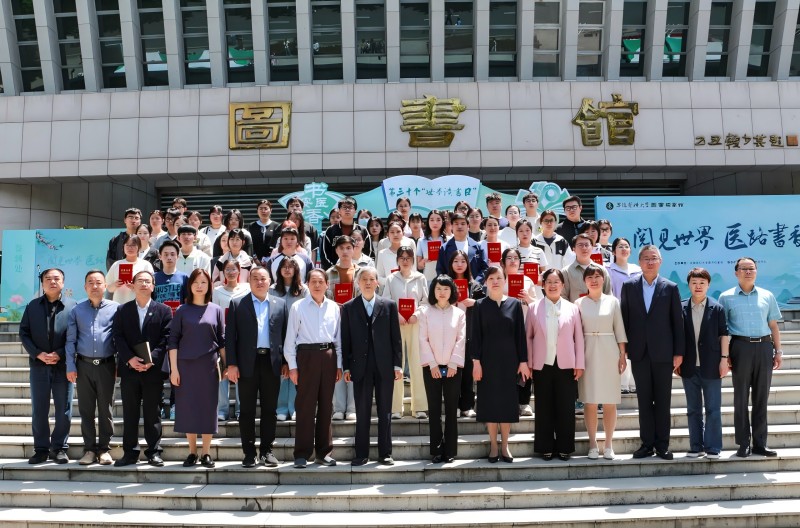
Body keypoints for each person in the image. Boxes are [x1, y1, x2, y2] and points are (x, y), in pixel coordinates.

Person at [620, 244, 685, 460]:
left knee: (663, 401)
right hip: (639, 352)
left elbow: (677, 322)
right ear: (639, 262)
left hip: (664, 353)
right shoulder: (629, 286)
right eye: (646, 258)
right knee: (644, 401)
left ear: (660, 261)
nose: (650, 262)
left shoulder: (670, 287)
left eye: (654, 258)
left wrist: (678, 352)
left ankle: (662, 445)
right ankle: (647, 444)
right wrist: (623, 349)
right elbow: (625, 319)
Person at [718, 257, 782, 458]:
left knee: (761, 397)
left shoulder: (767, 295)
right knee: (741, 397)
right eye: (744, 268)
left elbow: (773, 325)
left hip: (764, 347)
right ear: (736, 272)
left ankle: (760, 443)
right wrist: (725, 355)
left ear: (756, 271)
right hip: (740, 347)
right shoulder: (726, 297)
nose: (748, 272)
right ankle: (743, 443)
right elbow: (723, 331)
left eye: (751, 268)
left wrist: (778, 351)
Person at [226, 266, 288, 468]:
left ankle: (267, 451)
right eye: (255, 278)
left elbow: (285, 336)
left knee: (270, 410)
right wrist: (232, 364)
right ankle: (249, 453)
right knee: (246, 411)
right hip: (246, 364)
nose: (260, 282)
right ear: (249, 281)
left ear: (270, 281)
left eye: (263, 278)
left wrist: (286, 362)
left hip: (272, 363)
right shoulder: (237, 303)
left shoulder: (280, 304)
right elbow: (230, 337)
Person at [341, 267, 403, 466]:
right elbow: (345, 340)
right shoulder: (349, 307)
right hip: (360, 367)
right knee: (362, 411)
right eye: (364, 279)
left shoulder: (389, 305)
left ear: (377, 282)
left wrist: (397, 365)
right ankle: (361, 454)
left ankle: (385, 453)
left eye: (371, 279)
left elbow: (396, 338)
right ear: (358, 283)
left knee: (385, 411)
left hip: (384, 366)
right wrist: (346, 367)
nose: (368, 283)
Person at [167, 269, 226, 469]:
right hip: (185, 366)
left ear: (209, 286)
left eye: (203, 282)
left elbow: (222, 340)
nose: (199, 286)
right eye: (195, 282)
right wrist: (174, 370)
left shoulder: (216, 309)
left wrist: (227, 366)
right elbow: (173, 341)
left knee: (208, 408)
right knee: (188, 408)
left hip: (209, 366)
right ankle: (192, 452)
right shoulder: (182, 310)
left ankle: (206, 453)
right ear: (189, 285)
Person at [112, 271, 172, 467]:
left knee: (152, 412)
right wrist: (130, 359)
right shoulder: (123, 309)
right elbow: (118, 336)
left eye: (148, 281)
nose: (144, 284)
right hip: (129, 370)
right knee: (130, 412)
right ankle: (130, 453)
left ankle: (154, 452)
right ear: (133, 285)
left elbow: (166, 338)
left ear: (153, 286)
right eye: (140, 281)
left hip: (153, 370)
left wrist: (151, 359)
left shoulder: (163, 310)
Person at [284, 269, 342, 468]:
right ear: (307, 284)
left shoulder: (334, 307)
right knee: (305, 406)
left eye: (320, 281)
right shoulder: (298, 307)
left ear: (327, 284)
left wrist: (339, 365)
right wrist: (293, 367)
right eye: (313, 281)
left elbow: (338, 339)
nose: (317, 285)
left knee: (326, 406)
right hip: (306, 357)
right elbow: (290, 340)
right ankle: (302, 453)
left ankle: (324, 452)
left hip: (328, 356)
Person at [472, 266, 530, 462]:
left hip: (509, 362)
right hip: (486, 362)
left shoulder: (514, 304)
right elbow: (475, 336)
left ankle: (505, 446)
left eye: (499, 278)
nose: (495, 281)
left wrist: (523, 361)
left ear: (505, 280)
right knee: (489, 403)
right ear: (486, 282)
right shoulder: (480, 305)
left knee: (507, 404)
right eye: (491, 278)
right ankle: (493, 446)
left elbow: (520, 335)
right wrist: (476, 362)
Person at [20, 268, 77, 464]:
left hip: (63, 366)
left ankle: (59, 448)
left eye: (56, 278)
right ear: (42, 283)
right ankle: (41, 449)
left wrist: (59, 354)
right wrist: (38, 354)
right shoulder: (32, 306)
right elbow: (24, 333)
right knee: (39, 409)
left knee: (64, 409)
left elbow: (76, 335)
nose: (52, 282)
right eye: (48, 279)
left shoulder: (73, 307)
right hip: (39, 365)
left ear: (63, 282)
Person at [527, 268, 584, 461]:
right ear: (543, 285)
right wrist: (529, 363)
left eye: (556, 282)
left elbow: (579, 338)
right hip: (541, 364)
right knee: (543, 407)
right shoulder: (534, 308)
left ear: (562, 285)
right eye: (548, 282)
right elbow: (528, 337)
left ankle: (565, 447)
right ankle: (545, 446)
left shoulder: (572, 308)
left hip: (566, 364)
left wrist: (579, 363)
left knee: (566, 407)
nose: (552, 285)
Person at [66, 270, 119, 466]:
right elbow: (70, 341)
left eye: (98, 282)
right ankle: (89, 449)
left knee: (106, 409)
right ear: (85, 287)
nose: (95, 286)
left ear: (105, 286)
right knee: (86, 410)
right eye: (90, 282)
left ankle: (104, 449)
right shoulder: (77, 310)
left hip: (107, 365)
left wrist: (119, 364)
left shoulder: (116, 308)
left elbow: (120, 339)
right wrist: (70, 365)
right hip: (83, 366)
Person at [575, 265, 628, 460]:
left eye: (598, 276)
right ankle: (592, 444)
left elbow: (619, 329)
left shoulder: (613, 301)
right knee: (589, 401)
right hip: (587, 352)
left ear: (603, 279)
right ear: (585, 281)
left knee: (609, 401)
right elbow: (575, 332)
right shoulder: (578, 303)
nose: (594, 280)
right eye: (590, 277)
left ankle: (608, 444)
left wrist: (622, 354)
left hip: (609, 350)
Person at [679, 267, 729, 459]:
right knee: (693, 409)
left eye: (702, 283)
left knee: (713, 409)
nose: (698, 286)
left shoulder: (717, 308)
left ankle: (713, 447)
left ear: (708, 285)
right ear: (689, 285)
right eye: (694, 282)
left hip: (712, 365)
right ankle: (696, 446)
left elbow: (723, 335)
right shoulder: (681, 307)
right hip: (689, 366)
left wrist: (724, 360)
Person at [418, 275, 467, 463]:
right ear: (433, 291)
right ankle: (437, 450)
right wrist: (432, 364)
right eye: (438, 288)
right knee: (434, 409)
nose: (442, 292)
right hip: (431, 368)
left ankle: (451, 451)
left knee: (452, 409)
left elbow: (461, 339)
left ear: (452, 291)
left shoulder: (459, 313)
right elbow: (423, 339)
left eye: (446, 288)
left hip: (453, 368)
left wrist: (454, 363)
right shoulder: (425, 312)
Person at [382, 246, 429, 419]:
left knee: (417, 364)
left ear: (413, 260)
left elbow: (425, 301)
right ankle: (396, 408)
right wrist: (397, 314)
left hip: (416, 324)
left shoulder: (420, 278)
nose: (405, 260)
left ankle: (419, 407)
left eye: (408, 257)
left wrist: (417, 314)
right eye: (401, 257)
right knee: (396, 365)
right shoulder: (391, 279)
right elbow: (385, 300)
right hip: (396, 325)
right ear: (397, 260)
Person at [446, 250, 486, 418]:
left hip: (469, 332)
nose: (459, 264)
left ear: (467, 264)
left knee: (468, 371)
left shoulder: (474, 286)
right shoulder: (445, 283)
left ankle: (467, 405)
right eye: (456, 261)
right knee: (452, 371)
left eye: (463, 261)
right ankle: (453, 405)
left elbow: (485, 304)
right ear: (451, 264)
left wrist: (475, 303)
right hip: (449, 333)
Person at [326, 236, 360, 421]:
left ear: (354, 249)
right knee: (337, 363)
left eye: (348, 247)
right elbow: (324, 298)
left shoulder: (361, 272)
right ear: (336, 251)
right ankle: (339, 407)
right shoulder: (329, 273)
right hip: (334, 322)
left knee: (354, 362)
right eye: (341, 248)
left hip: (356, 322)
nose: (345, 251)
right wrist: (336, 306)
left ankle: (352, 407)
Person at [212, 260, 250, 421]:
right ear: (223, 272)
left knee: (240, 371)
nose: (231, 272)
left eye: (234, 269)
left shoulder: (247, 289)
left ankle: (241, 408)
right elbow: (215, 313)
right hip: (223, 335)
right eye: (227, 269)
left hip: (241, 336)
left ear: (239, 270)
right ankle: (222, 409)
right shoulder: (217, 291)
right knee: (222, 371)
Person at [270, 257, 307, 421]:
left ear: (296, 270)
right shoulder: (272, 290)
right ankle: (281, 408)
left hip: (298, 335)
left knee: (294, 372)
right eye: (283, 267)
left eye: (290, 267)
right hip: (278, 335)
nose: (287, 269)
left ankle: (294, 407)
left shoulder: (303, 290)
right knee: (282, 373)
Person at [436, 212, 487, 283]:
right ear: (452, 226)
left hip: (474, 287)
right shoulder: (444, 248)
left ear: (468, 226)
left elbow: (484, 269)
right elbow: (440, 270)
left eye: (463, 224)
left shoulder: (477, 247)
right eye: (456, 224)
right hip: (451, 287)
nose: (459, 226)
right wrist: (448, 285)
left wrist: (476, 283)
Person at [321, 197, 370, 270]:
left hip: (360, 271)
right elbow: (325, 254)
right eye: (344, 207)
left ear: (355, 211)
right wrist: (334, 269)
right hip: (335, 271)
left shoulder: (363, 230)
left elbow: (369, 252)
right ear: (339, 211)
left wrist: (361, 269)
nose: (347, 209)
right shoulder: (330, 230)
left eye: (350, 207)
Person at [106, 235, 155, 304]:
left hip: (139, 304)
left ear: (139, 247)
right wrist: (115, 285)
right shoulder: (116, 264)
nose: (130, 248)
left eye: (133, 245)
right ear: (123, 247)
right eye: (127, 245)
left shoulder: (145, 265)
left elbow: (151, 287)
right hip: (119, 304)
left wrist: (136, 287)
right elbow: (108, 287)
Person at [562, 234, 611, 302]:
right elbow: (563, 297)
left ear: (592, 248)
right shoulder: (566, 272)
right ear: (573, 249)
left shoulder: (602, 270)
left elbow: (608, 294)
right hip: (576, 308)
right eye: (580, 245)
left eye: (587, 245)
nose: (584, 248)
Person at [154, 240, 189, 306]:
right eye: (166, 254)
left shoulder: (184, 278)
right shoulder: (153, 277)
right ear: (160, 257)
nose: (169, 258)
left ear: (177, 257)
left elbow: (187, 302)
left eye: (172, 254)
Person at [377, 221, 409, 288]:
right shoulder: (382, 254)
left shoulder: (409, 252)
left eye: (398, 232)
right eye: (392, 232)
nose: (395, 235)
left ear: (403, 233)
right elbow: (379, 277)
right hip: (388, 290)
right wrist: (392, 280)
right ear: (388, 234)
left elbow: (413, 272)